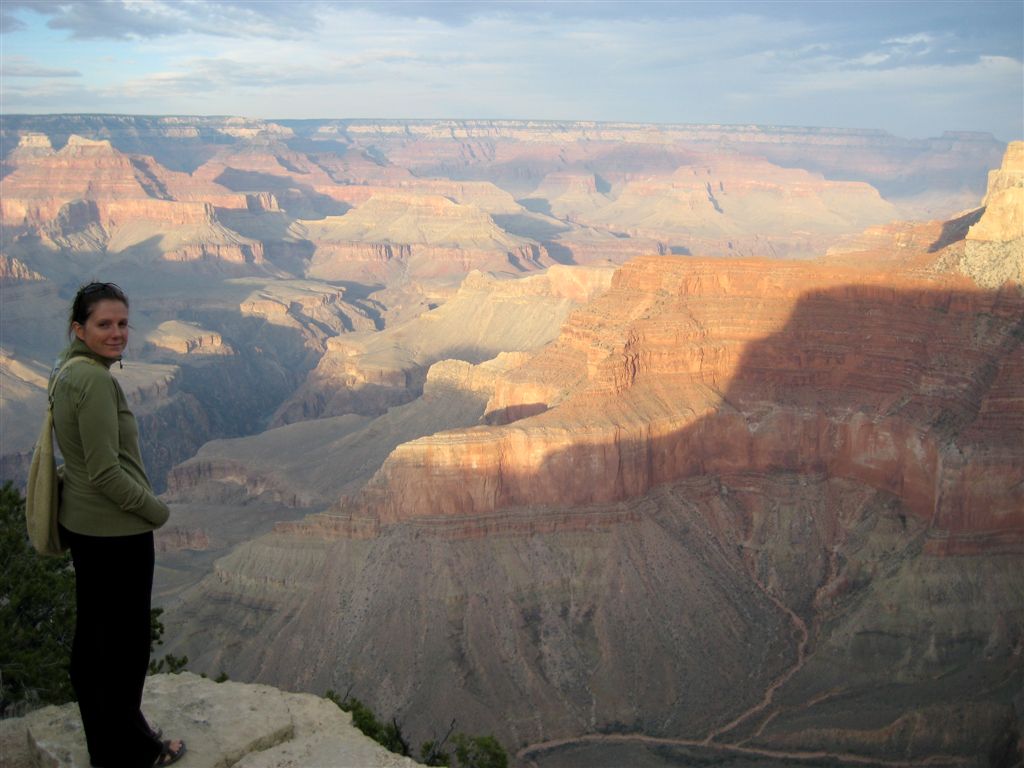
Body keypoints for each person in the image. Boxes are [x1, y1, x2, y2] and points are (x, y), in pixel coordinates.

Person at [50, 282, 186, 768]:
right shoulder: (93, 382)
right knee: (124, 649)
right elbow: (106, 470)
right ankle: (132, 752)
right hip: (115, 532)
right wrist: (156, 512)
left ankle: (111, 746)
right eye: (104, 324)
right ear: (79, 328)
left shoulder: (67, 371)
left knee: (95, 640)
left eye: (123, 323)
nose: (117, 333)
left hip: (87, 527)